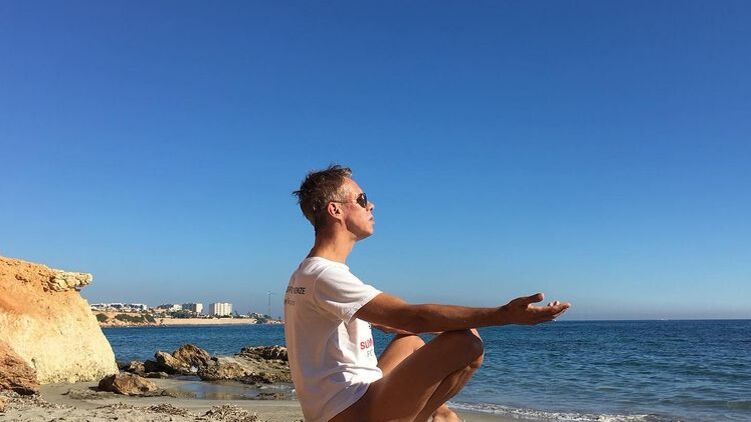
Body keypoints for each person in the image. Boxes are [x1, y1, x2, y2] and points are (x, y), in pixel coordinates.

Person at [284, 165, 570, 422]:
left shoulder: (311, 272)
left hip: (345, 400)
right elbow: (412, 317)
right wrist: (505, 315)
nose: (371, 205)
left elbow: (396, 323)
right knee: (466, 343)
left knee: (410, 342)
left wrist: (432, 327)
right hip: (348, 410)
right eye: (361, 199)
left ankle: (439, 413)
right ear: (335, 210)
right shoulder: (325, 275)